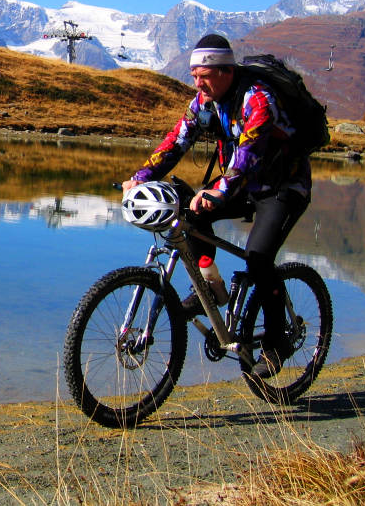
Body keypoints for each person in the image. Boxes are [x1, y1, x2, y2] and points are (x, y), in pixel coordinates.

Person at [121, 34, 311, 378]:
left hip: (283, 187)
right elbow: (176, 141)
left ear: (225, 71)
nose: (197, 83)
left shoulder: (258, 100)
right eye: (193, 75)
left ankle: (275, 342)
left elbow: (247, 160)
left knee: (259, 257)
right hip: (242, 184)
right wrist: (142, 175)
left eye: (203, 75)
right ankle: (211, 286)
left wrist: (218, 192)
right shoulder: (203, 101)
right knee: (187, 216)